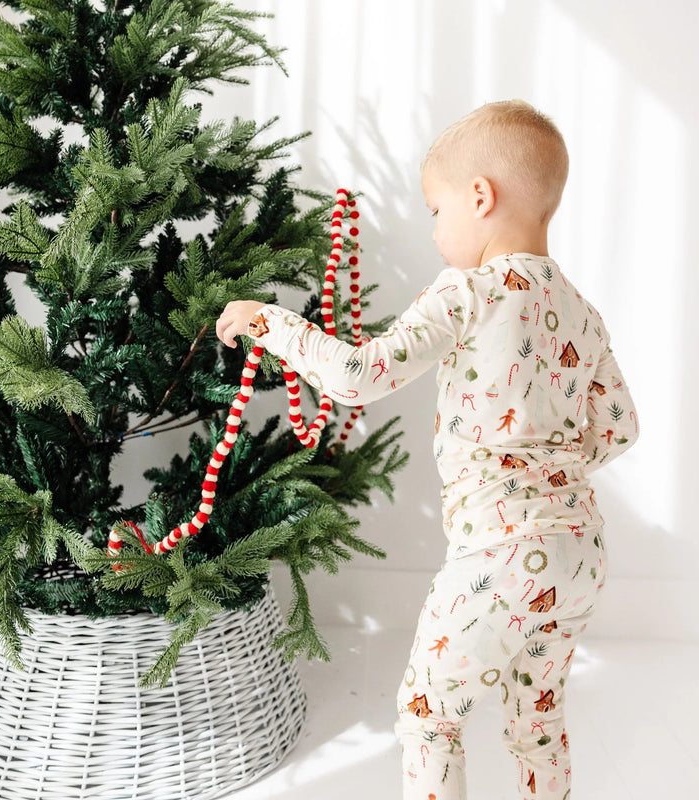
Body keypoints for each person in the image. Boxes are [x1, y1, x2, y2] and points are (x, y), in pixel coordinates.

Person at [215, 100, 638, 800]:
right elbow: (620, 426)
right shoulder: (581, 312)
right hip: (578, 553)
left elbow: (358, 376)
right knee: (537, 718)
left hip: (500, 557)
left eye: (436, 211)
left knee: (429, 717)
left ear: (481, 197)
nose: (436, 230)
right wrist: (548, 471)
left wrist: (269, 321)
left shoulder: (468, 292)